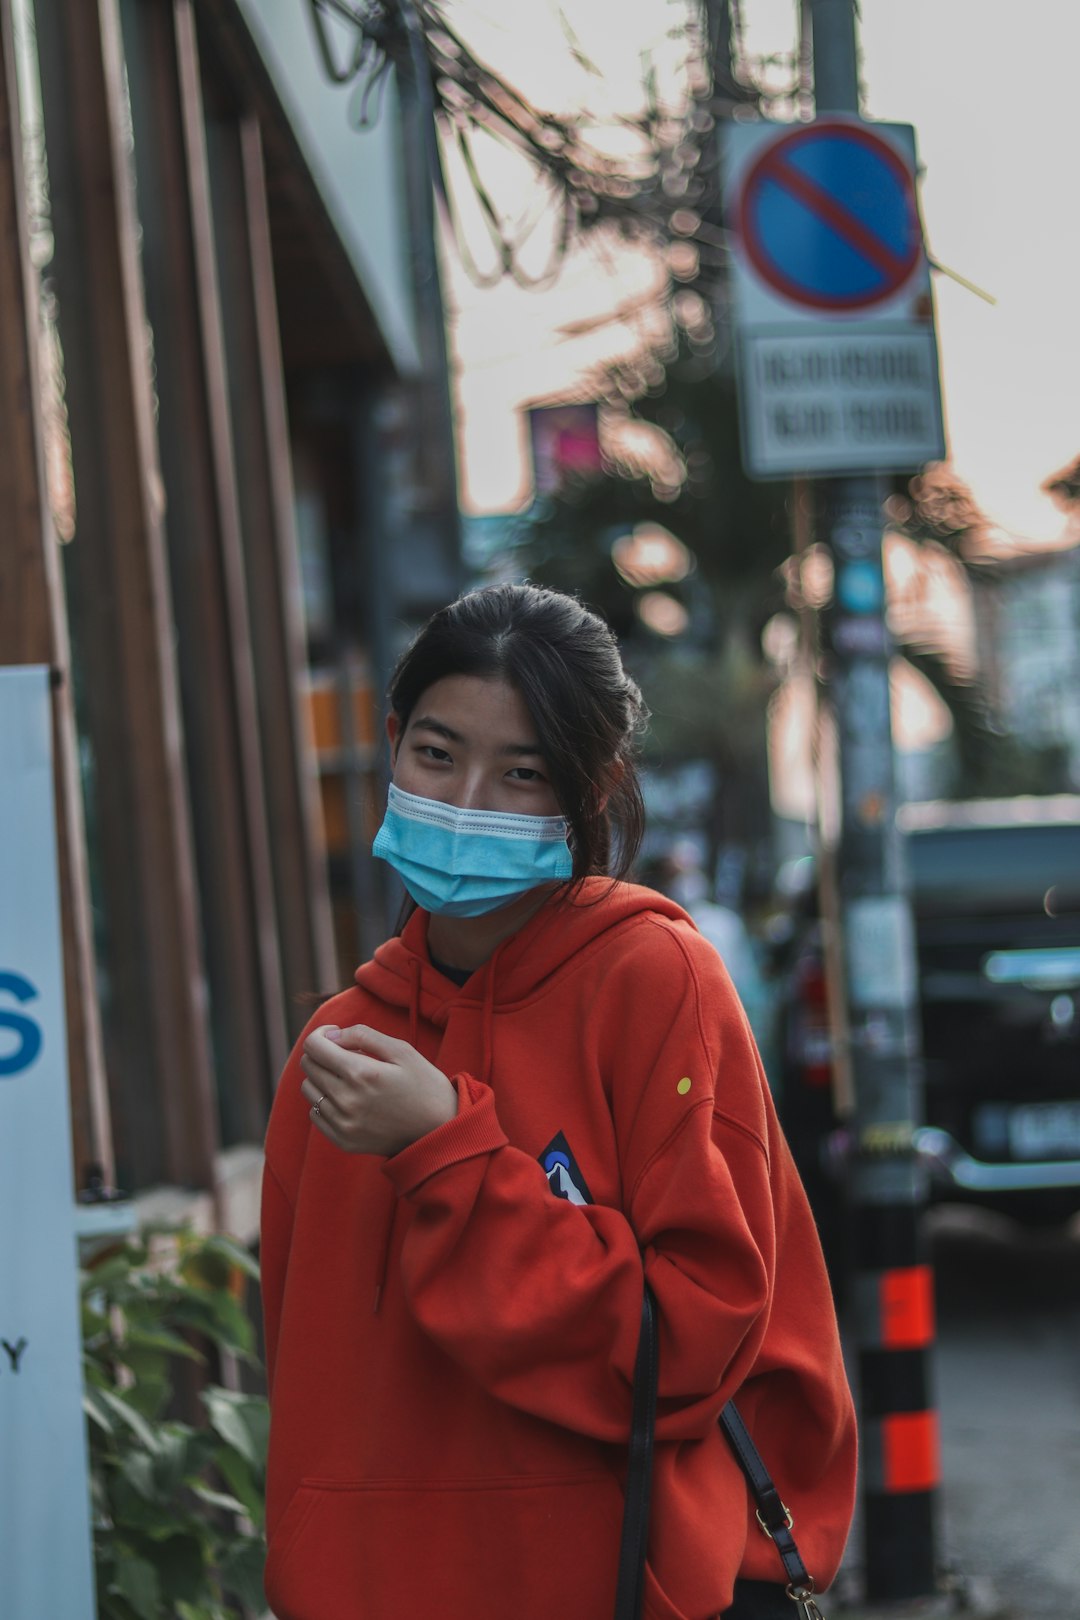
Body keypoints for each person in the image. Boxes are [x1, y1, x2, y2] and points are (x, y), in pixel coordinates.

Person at [260, 584, 857, 1620]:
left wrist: (446, 1152)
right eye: (437, 756)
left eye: (522, 773)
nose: (465, 802)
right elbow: (310, 1370)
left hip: (618, 1589)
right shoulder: (340, 1043)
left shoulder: (654, 980)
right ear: (392, 744)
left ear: (592, 790)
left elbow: (694, 1344)